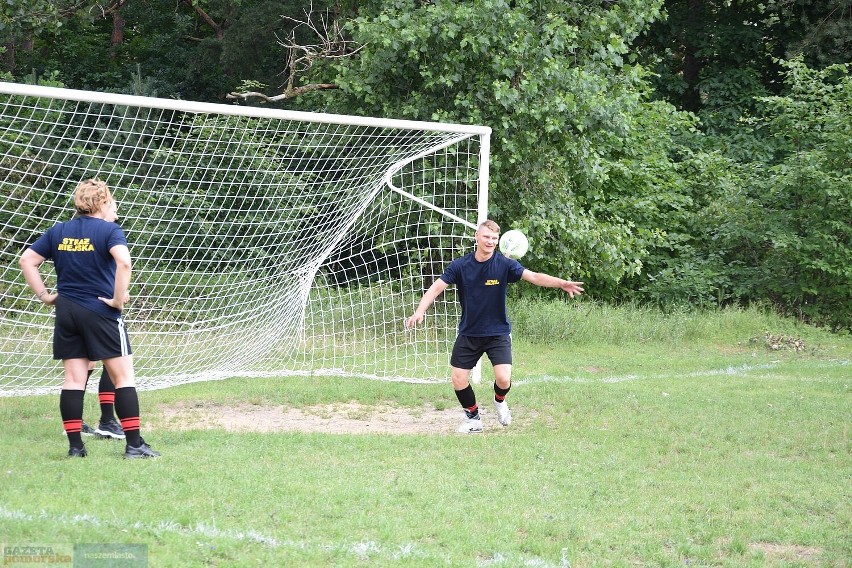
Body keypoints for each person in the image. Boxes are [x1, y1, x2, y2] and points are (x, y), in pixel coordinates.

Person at [19, 178, 159, 458]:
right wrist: (119, 299)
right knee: (124, 377)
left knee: (72, 380)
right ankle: (134, 446)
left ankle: (75, 448)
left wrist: (46, 296)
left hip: (67, 311)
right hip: (100, 311)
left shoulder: (59, 230)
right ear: (102, 202)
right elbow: (124, 262)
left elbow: (27, 260)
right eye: (112, 202)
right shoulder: (109, 230)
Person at [405, 220, 584, 433]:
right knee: (458, 378)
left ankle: (500, 401)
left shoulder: (504, 264)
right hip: (469, 332)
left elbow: (534, 277)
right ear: (477, 237)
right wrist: (420, 311)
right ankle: (473, 420)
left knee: (503, 378)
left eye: (494, 238)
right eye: (487, 237)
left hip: (497, 332)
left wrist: (561, 283)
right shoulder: (460, 265)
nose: (490, 241)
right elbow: (436, 288)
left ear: (498, 241)